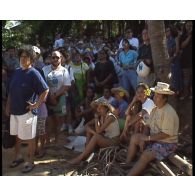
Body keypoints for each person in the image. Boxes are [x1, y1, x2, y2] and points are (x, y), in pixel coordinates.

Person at [6, 46, 49, 173]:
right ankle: (18, 156)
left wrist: (36, 104)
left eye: (26, 57)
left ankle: (30, 161)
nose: (23, 59)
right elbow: (10, 92)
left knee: (30, 137)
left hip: (27, 112)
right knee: (17, 136)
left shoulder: (34, 73)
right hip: (15, 110)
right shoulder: (16, 71)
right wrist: (8, 106)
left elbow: (45, 90)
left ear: (32, 59)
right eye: (21, 56)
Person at [125, 82, 179, 176]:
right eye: (155, 95)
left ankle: (129, 176)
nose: (154, 97)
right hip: (154, 139)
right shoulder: (155, 109)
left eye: (158, 96)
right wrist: (143, 138)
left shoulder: (169, 112)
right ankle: (127, 163)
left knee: (145, 155)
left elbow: (166, 134)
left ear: (165, 99)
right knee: (135, 137)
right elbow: (147, 126)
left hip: (167, 143)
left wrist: (147, 138)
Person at [68, 100, 120, 165]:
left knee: (96, 136)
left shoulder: (110, 117)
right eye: (98, 108)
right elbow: (87, 125)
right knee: (92, 131)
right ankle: (85, 154)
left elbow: (98, 131)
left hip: (113, 141)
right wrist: (93, 132)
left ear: (106, 108)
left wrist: (96, 119)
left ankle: (79, 158)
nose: (98, 110)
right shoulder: (102, 116)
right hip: (107, 138)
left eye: (100, 108)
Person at [42, 51, 71, 144]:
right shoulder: (44, 69)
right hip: (47, 98)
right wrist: (50, 95)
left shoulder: (64, 70)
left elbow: (66, 85)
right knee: (48, 122)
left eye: (57, 57)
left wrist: (55, 96)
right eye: (53, 57)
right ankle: (47, 142)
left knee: (58, 121)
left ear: (61, 58)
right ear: (50, 58)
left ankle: (57, 141)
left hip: (60, 98)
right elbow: (42, 84)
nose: (55, 59)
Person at [179, 21, 192, 100]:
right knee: (186, 79)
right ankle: (186, 93)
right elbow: (182, 46)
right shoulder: (183, 36)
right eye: (188, 25)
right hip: (186, 61)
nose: (189, 27)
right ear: (185, 26)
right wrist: (189, 36)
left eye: (191, 25)